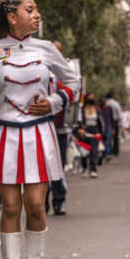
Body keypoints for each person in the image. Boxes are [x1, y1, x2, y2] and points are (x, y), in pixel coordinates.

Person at [0, 0, 80, 259]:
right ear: (11, 16)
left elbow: (74, 83)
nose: (37, 15)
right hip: (3, 135)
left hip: (39, 134)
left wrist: (54, 102)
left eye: (37, 9)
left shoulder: (46, 50)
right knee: (10, 207)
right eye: (29, 10)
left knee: (35, 205)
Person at [48, 40, 74, 215]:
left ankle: (59, 200)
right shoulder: (37, 69)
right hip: (40, 127)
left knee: (58, 165)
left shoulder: (66, 74)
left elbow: (74, 96)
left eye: (58, 50)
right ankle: (41, 202)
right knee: (41, 166)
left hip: (61, 129)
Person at [77, 93, 104, 178]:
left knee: (94, 152)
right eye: (90, 97)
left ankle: (93, 170)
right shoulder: (81, 110)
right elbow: (79, 121)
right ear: (86, 98)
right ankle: (84, 169)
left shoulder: (97, 109)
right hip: (85, 132)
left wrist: (100, 132)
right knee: (84, 152)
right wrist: (80, 128)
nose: (92, 99)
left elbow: (101, 122)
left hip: (95, 132)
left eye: (93, 97)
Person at [105, 92, 122, 157]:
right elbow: (119, 113)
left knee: (108, 137)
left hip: (108, 121)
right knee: (115, 137)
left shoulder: (106, 103)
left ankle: (109, 151)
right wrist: (120, 122)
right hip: (115, 121)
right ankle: (116, 151)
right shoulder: (116, 103)